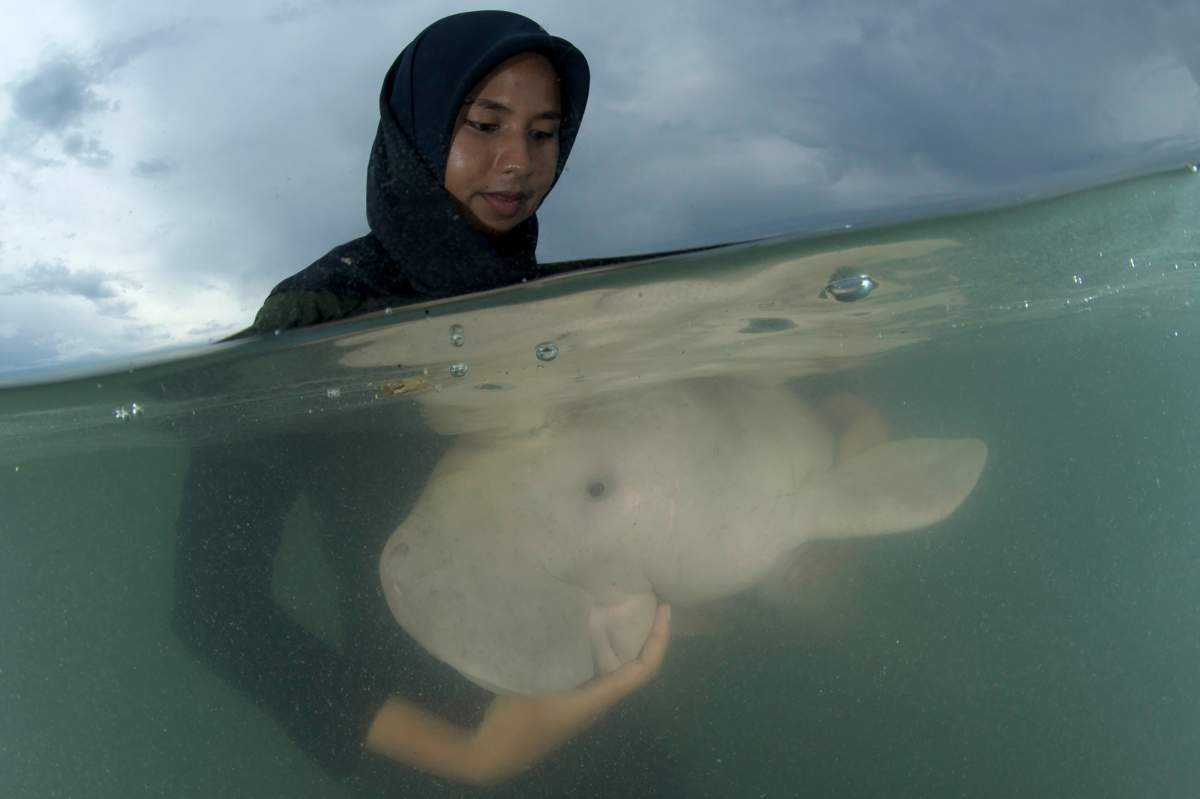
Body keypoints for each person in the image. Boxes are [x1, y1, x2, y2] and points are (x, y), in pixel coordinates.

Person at [173, 11, 672, 795]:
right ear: (420, 125)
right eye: (484, 124)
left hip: (608, 732)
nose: (518, 163)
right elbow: (212, 607)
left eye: (545, 133)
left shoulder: (559, 303)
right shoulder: (318, 315)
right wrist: (469, 753)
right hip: (434, 749)